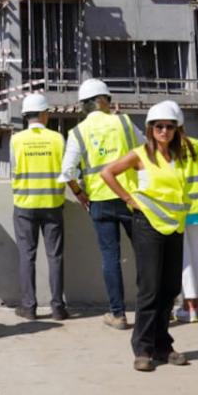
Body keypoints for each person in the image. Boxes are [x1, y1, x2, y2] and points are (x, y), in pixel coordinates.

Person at [105, 100, 192, 371]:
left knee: (170, 288)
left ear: (177, 130)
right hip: (147, 226)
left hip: (174, 227)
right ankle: (142, 349)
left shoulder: (181, 156)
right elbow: (107, 173)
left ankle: (162, 345)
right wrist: (128, 199)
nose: (163, 131)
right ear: (150, 129)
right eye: (158, 127)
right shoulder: (140, 154)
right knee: (150, 288)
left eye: (169, 126)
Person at [59, 78, 143, 329]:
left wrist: (80, 194)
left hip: (99, 202)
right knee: (145, 254)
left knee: (110, 258)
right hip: (131, 198)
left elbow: (67, 172)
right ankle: (153, 308)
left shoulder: (78, 132)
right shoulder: (124, 122)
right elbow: (146, 152)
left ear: (85, 105)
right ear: (103, 100)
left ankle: (118, 314)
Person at [8, 93, 68, 321]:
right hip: (52, 203)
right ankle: (58, 307)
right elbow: (66, 169)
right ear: (45, 115)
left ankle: (29, 307)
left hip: (25, 204)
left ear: (25, 116)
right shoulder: (57, 138)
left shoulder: (16, 139)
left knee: (27, 255)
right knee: (55, 256)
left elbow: (13, 170)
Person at [174, 108, 198, 324]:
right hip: (197, 206)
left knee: (184, 259)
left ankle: (188, 306)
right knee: (196, 256)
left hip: (179, 209)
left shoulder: (170, 147)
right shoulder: (197, 145)